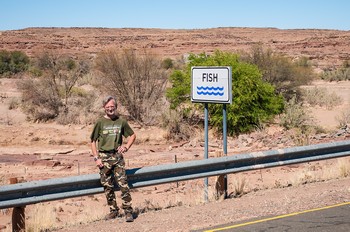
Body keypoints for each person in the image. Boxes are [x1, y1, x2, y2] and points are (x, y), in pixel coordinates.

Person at [90, 96, 136, 222]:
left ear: (116, 107)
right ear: (104, 108)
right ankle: (113, 211)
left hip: (117, 157)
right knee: (107, 186)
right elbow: (92, 141)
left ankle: (128, 211)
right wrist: (96, 158)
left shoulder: (121, 122)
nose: (110, 109)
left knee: (123, 184)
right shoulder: (100, 123)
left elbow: (132, 135)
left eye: (112, 106)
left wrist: (126, 147)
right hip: (104, 158)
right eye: (108, 107)